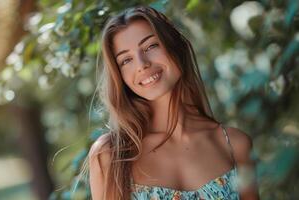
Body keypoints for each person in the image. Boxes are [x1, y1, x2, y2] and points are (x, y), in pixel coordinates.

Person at [88, 5, 260, 200]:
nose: (142, 64)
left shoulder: (235, 145)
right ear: (120, 76)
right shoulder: (112, 155)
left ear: (175, 47)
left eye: (151, 46)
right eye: (126, 60)